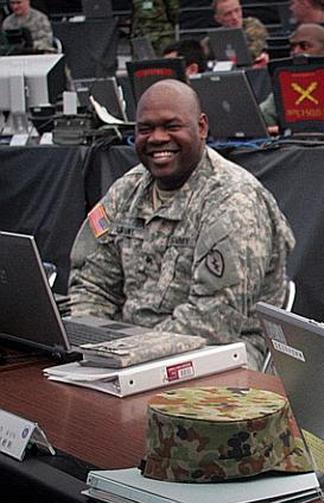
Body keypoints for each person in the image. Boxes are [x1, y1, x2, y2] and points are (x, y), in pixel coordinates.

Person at [68, 80, 295, 371]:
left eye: (172, 126)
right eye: (145, 129)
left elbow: (213, 320)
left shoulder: (234, 200)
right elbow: (91, 283)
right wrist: (89, 345)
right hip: (129, 351)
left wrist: (126, 353)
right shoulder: (127, 190)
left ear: (201, 128)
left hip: (220, 358)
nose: (157, 138)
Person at [259, 23, 324, 132]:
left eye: (304, 46)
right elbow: (261, 117)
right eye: (293, 47)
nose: (296, 52)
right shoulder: (287, 84)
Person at [211, 0, 269, 66]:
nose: (234, 17)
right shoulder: (214, 38)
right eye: (228, 14)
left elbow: (251, 54)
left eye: (237, 10)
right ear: (218, 19)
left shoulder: (254, 26)